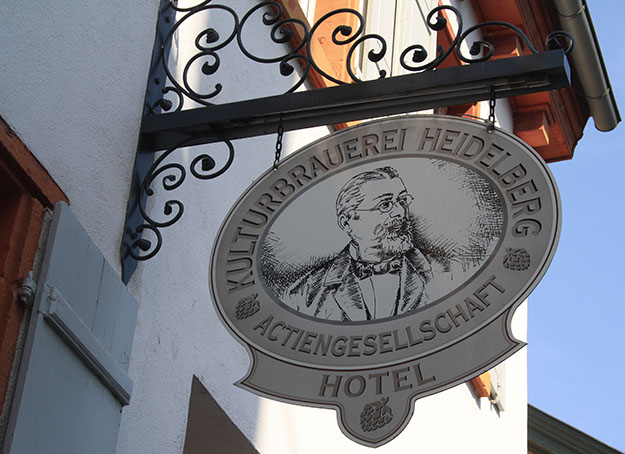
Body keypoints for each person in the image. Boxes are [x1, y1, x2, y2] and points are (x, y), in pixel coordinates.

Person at [282, 166, 434, 321]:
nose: (400, 212)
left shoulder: (444, 272)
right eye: (385, 205)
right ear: (347, 223)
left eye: (402, 200)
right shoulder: (305, 294)